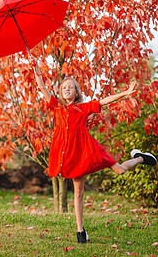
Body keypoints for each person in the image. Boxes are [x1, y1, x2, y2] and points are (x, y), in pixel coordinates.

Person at [30, 56, 157, 243]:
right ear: (60, 92)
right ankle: (80, 231)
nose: (67, 89)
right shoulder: (56, 107)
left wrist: (125, 93)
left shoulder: (83, 108)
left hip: (86, 150)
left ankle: (139, 157)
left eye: (70, 87)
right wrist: (35, 68)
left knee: (120, 170)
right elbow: (41, 87)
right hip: (69, 154)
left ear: (76, 91)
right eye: (64, 87)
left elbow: (105, 101)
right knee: (78, 191)